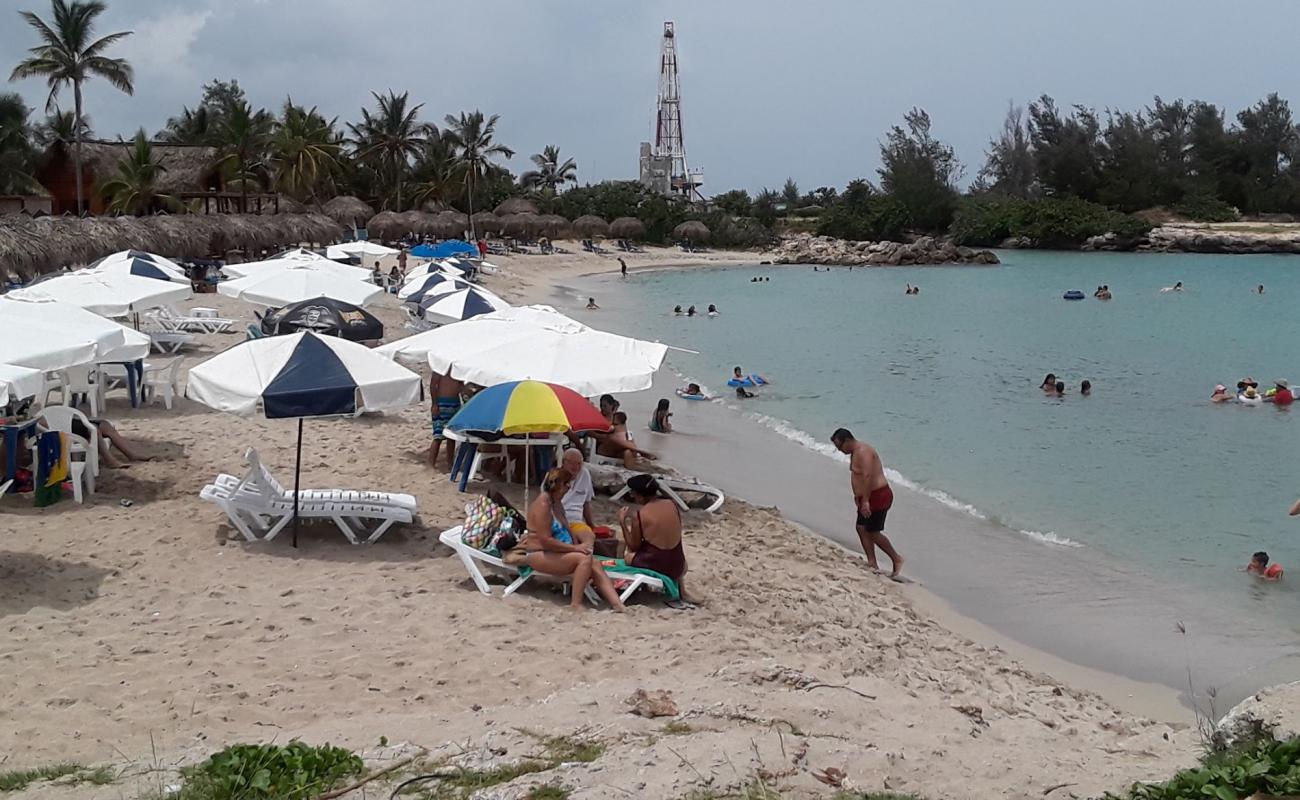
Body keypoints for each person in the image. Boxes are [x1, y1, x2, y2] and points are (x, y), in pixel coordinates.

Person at [524, 468, 625, 611]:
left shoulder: (556, 503)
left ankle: (617, 604)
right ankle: (575, 603)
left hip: (556, 551)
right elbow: (546, 540)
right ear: (558, 485)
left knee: (593, 561)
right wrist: (575, 549)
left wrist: (578, 544)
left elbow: (567, 528)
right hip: (538, 553)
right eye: (567, 484)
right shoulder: (543, 505)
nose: (569, 487)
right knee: (583, 560)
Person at [831, 428, 904, 579]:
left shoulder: (863, 451)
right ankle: (872, 562)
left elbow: (868, 476)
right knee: (861, 528)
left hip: (877, 496)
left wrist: (865, 501)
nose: (839, 451)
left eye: (840, 447)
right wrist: (858, 496)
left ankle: (897, 558)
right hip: (866, 497)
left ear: (848, 441)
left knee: (873, 531)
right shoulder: (855, 453)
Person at [619, 473, 695, 604]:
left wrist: (622, 522)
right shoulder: (672, 505)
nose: (632, 496)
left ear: (639, 495)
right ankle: (683, 591)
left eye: (633, 493)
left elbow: (633, 546)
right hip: (679, 566)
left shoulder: (640, 515)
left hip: (657, 566)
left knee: (627, 553)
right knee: (669, 551)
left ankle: (637, 588)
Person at [558, 448, 598, 541]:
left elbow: (586, 503)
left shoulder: (584, 474)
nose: (575, 466)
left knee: (588, 537)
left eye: (579, 463)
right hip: (557, 521)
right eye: (571, 463)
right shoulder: (554, 477)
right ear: (564, 462)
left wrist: (591, 525)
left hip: (576, 521)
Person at [428, 371, 463, 470]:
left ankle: (450, 463)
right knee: (438, 436)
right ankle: (431, 463)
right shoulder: (440, 368)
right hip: (441, 403)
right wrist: (434, 403)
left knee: (451, 436)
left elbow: (461, 385)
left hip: (455, 403)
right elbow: (433, 385)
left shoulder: (456, 367)